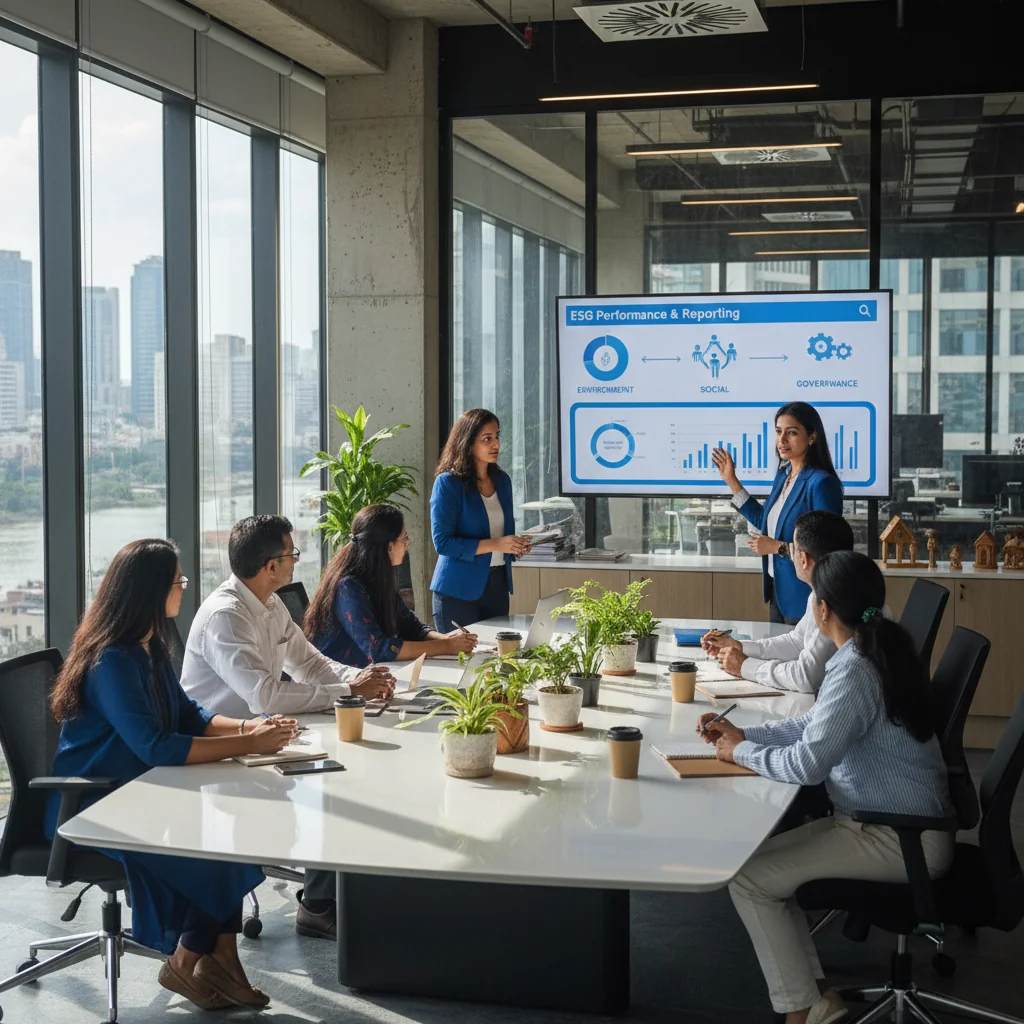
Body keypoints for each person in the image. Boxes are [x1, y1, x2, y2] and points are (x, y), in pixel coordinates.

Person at [697, 551, 953, 1024]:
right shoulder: (866, 652)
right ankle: (817, 998)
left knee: (751, 881)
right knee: (756, 870)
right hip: (888, 825)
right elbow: (813, 726)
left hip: (900, 838)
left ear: (824, 610)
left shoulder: (856, 668)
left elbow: (808, 764)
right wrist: (745, 736)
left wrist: (740, 753)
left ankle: (803, 1012)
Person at [46, 539, 300, 1011]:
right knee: (217, 858)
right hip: (95, 806)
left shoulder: (149, 648)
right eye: (177, 581)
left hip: (142, 792)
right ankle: (186, 962)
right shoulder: (111, 660)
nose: (184, 587)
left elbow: (189, 715)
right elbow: (155, 746)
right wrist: (249, 744)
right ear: (151, 590)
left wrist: (249, 727)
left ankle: (221, 962)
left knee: (232, 844)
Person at [180, 515, 396, 941]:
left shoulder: (270, 603)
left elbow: (310, 664)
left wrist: (358, 680)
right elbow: (265, 696)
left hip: (268, 737)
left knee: (351, 773)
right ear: (270, 566)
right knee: (334, 784)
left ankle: (330, 896)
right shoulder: (226, 617)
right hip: (223, 753)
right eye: (292, 553)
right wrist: (348, 691)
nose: (297, 560)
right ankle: (318, 905)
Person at [712, 401, 843, 624]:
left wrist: (776, 547)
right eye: (778, 431)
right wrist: (732, 481)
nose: (781, 440)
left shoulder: (821, 483)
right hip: (778, 591)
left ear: (812, 437)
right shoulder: (784, 476)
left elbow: (827, 548)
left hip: (805, 596)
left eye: (791, 433)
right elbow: (764, 521)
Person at [701, 510, 854, 694]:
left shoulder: (831, 602)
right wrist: (740, 647)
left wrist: (745, 666)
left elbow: (805, 677)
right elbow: (797, 641)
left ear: (803, 559)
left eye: (792, 550)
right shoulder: (827, 590)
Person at [306, 503, 478, 666]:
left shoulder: (378, 578)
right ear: (389, 547)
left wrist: (447, 639)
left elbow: (412, 626)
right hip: (341, 681)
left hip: (374, 674)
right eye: (404, 539)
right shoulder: (347, 587)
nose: (407, 544)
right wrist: (446, 646)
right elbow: (379, 650)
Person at [430, 408, 527, 633]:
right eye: (487, 439)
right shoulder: (448, 483)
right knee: (462, 655)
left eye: (497, 437)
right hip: (457, 591)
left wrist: (515, 546)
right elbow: (443, 543)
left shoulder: (502, 481)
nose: (496, 444)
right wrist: (497, 544)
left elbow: (499, 533)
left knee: (498, 653)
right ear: (467, 442)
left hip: (497, 587)